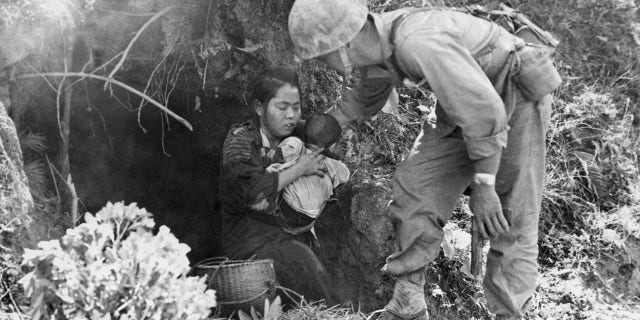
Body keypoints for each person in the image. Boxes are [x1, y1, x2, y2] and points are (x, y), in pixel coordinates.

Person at [288, 1, 559, 319]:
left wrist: (484, 186)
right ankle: (408, 302)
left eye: (321, 56)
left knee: (510, 216)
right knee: (415, 185)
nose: (323, 65)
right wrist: (331, 121)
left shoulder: (417, 41)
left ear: (343, 43)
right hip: (463, 103)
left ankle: (512, 311)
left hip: (512, 98)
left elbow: (487, 114)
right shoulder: (379, 45)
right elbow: (368, 94)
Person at [219, 68, 343, 306]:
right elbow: (249, 191)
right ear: (259, 107)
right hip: (249, 247)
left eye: (296, 107)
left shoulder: (301, 132)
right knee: (300, 260)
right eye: (282, 107)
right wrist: (300, 168)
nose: (291, 116)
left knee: (312, 267)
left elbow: (330, 144)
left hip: (289, 239)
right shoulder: (241, 140)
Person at [266, 113, 350, 238]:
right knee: (330, 191)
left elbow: (273, 159)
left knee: (280, 170)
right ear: (332, 147)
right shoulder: (335, 167)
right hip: (308, 218)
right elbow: (346, 176)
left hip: (285, 209)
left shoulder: (295, 145)